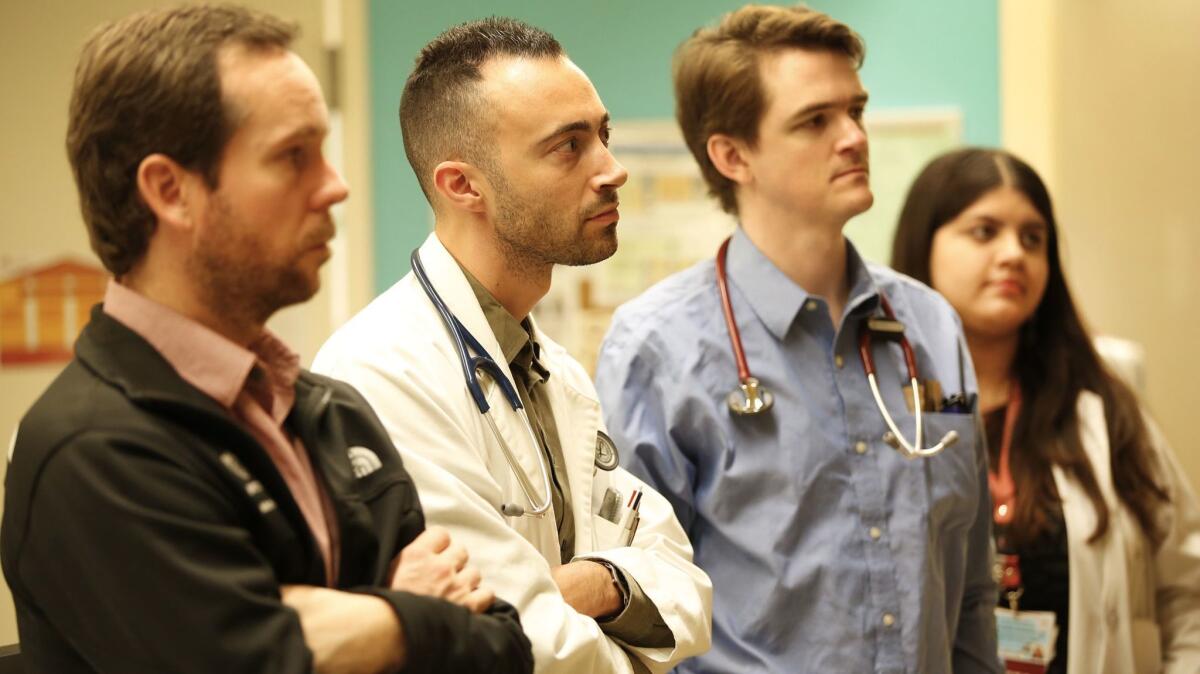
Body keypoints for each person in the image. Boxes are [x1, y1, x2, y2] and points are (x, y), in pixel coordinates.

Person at [0, 6, 533, 673]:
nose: (334, 186)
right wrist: (409, 612)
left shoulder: (331, 413)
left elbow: (504, 644)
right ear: (171, 190)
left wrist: (355, 625)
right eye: (293, 157)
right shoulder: (92, 452)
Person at [594, 6, 1001, 673]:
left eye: (856, 111)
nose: (853, 138)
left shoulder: (930, 327)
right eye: (816, 121)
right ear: (732, 155)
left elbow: (972, 588)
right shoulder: (656, 349)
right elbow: (634, 611)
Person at [313, 17, 712, 674]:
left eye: (603, 137)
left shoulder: (555, 374)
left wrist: (597, 585)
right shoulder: (380, 374)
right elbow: (510, 641)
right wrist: (628, 633)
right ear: (463, 185)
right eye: (569, 147)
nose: (611, 170)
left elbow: (688, 594)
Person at [890, 147, 1200, 674]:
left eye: (1033, 238)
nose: (1013, 253)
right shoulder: (879, 404)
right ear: (925, 245)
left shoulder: (1100, 404)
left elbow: (1187, 588)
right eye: (984, 232)